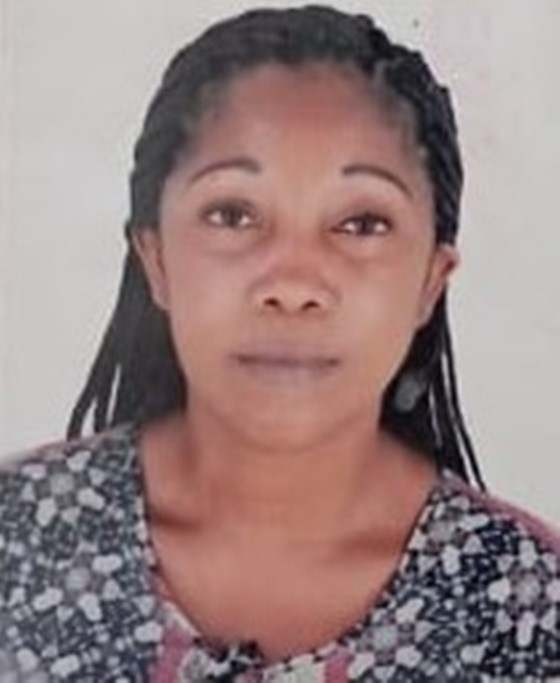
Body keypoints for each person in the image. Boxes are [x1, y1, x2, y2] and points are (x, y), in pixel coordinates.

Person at [1, 5, 559, 681]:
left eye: (361, 223)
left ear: (429, 282)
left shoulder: (530, 604)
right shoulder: (15, 539)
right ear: (156, 259)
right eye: (233, 214)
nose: (293, 285)